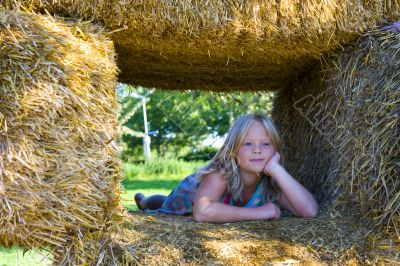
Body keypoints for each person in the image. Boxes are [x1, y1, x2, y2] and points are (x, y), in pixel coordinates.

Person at [134, 114, 319, 223]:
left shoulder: (270, 182)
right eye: (247, 144)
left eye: (266, 144)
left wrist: (277, 169)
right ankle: (143, 201)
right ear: (233, 150)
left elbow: (309, 211)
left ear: (275, 149)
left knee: (161, 201)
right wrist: (259, 213)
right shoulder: (222, 173)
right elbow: (201, 212)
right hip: (189, 195)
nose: (257, 150)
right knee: (163, 205)